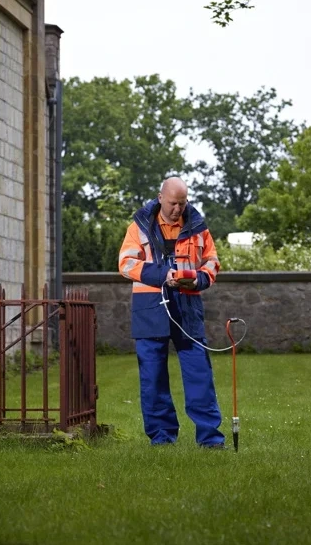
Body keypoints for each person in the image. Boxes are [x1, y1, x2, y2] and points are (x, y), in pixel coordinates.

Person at [118, 177, 225, 448]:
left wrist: (198, 279)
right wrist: (164, 275)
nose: (178, 208)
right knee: (152, 378)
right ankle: (162, 438)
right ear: (160, 198)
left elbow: (212, 262)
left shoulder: (199, 228)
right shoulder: (138, 227)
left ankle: (211, 439)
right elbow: (126, 264)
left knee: (199, 373)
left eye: (183, 202)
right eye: (173, 203)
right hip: (149, 308)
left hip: (188, 307)